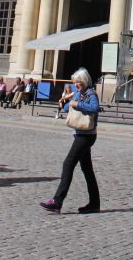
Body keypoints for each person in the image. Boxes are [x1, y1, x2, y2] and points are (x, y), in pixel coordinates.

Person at [40, 67, 100, 214]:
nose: (76, 85)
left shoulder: (91, 94)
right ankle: (94, 203)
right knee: (87, 170)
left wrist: (78, 104)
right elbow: (68, 108)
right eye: (74, 82)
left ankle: (57, 201)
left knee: (68, 163)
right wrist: (65, 102)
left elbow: (95, 108)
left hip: (86, 136)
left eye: (78, 82)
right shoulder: (79, 94)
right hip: (80, 134)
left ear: (84, 81)